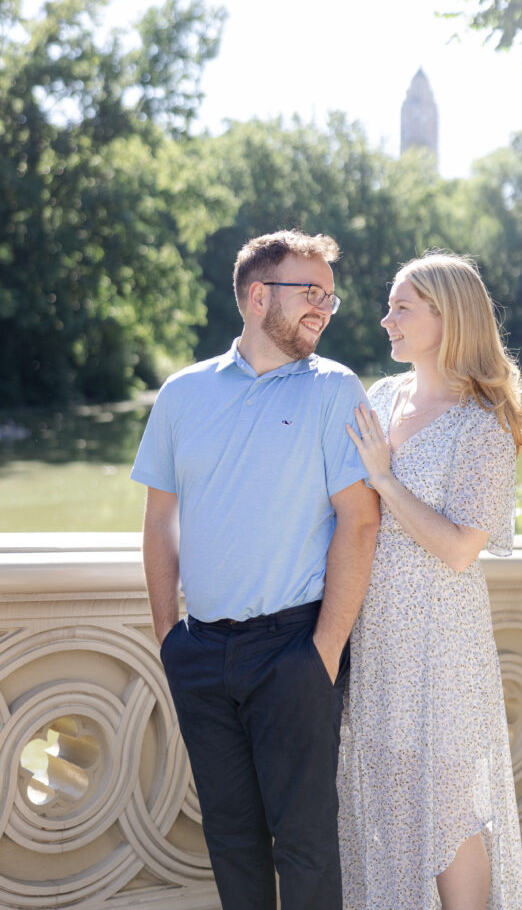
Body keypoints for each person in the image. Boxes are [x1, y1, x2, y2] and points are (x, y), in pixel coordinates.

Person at [130, 229, 380, 910]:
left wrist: (322, 652)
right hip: (201, 653)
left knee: (305, 844)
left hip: (293, 649)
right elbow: (161, 521)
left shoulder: (335, 389)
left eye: (330, 295)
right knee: (231, 840)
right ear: (256, 295)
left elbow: (360, 522)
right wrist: (168, 639)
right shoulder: (182, 394)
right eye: (311, 292)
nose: (325, 307)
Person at [337, 252, 522, 910]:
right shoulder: (381, 397)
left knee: (446, 808)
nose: (384, 318)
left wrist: (386, 478)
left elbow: (458, 549)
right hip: (375, 631)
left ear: (447, 317)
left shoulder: (483, 425)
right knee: (387, 794)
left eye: (401, 307)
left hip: (441, 640)